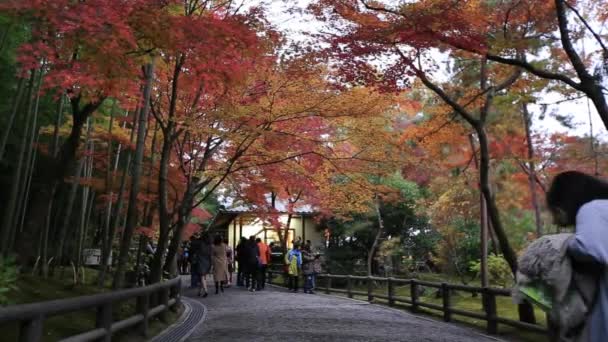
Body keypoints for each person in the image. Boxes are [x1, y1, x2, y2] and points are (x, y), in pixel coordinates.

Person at [547, 171, 608, 342]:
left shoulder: (592, 208)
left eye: (554, 211)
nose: (554, 220)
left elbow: (588, 247)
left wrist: (558, 244)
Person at [191, 233, 212, 297]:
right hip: (207, 262)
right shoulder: (209, 245)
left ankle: (206, 291)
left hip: (201, 262)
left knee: (202, 277)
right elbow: (210, 255)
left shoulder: (200, 243)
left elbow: (193, 245)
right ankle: (199, 292)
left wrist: (197, 238)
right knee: (203, 277)